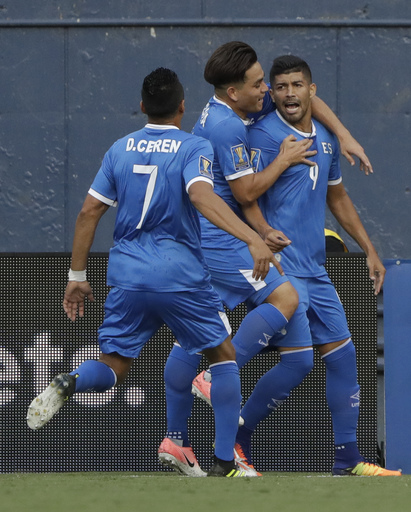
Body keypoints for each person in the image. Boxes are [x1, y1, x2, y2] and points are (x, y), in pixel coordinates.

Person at [26, 67, 281, 478]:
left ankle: (71, 381)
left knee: (112, 366)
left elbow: (89, 211)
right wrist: (251, 237)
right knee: (222, 354)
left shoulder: (120, 149)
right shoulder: (193, 145)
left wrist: (76, 277)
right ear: (182, 106)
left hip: (127, 275)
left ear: (143, 107)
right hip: (180, 276)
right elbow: (201, 196)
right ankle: (223, 463)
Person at [159, 41, 378, 477]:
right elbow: (244, 194)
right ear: (243, 91)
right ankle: (217, 417)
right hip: (241, 246)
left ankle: (345, 459)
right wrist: (261, 230)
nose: (278, 92)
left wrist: (369, 248)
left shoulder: (307, 131)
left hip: (284, 256)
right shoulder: (249, 128)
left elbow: (336, 193)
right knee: (279, 310)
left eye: (296, 85)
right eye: (269, 85)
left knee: (316, 356)